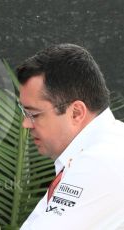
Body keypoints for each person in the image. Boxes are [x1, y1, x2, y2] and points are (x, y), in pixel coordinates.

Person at [17, 44, 124, 229]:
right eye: (24, 112)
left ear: (76, 112)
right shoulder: (108, 146)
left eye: (34, 114)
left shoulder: (99, 163)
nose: (25, 124)